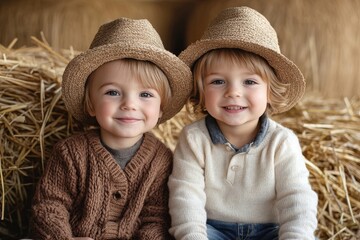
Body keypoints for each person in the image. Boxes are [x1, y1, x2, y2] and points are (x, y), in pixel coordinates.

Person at [30, 17, 192, 240]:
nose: (129, 104)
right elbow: (49, 207)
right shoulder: (71, 153)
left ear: (161, 109)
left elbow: (157, 218)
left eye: (145, 95)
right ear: (91, 104)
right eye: (112, 92)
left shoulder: (162, 160)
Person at [168, 6, 318, 240]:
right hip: (212, 230)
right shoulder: (194, 138)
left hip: (269, 230)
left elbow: (296, 199)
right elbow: (186, 197)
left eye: (249, 81)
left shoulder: (281, 142)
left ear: (270, 91)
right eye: (218, 81)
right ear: (201, 91)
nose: (233, 92)